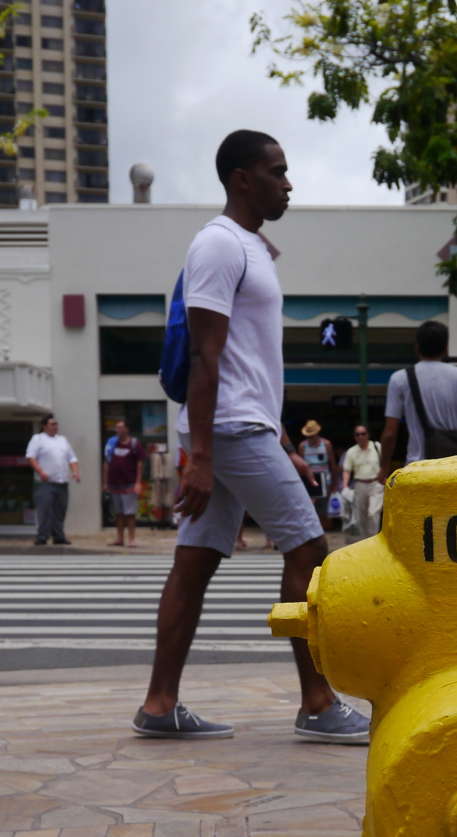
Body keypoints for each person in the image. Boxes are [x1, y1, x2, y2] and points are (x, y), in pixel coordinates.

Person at [132, 129, 369, 742]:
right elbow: (207, 359)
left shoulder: (251, 247)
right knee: (310, 549)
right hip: (229, 431)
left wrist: (284, 437)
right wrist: (201, 458)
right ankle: (317, 703)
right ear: (243, 178)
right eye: (278, 172)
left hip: (245, 425)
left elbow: (249, 361)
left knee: (194, 563)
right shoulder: (217, 245)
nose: (289, 183)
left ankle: (160, 704)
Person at [379, 320, 457, 477]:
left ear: (417, 348)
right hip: (453, 470)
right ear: (445, 349)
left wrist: (384, 467)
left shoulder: (400, 379)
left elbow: (390, 433)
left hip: (416, 470)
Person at [26, 414, 80, 545]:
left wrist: (75, 472)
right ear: (44, 426)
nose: (55, 426)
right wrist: (40, 472)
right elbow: (30, 457)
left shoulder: (62, 440)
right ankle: (42, 536)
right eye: (52, 424)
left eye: (56, 424)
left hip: (61, 482)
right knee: (44, 510)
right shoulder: (38, 439)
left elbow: (72, 458)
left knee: (60, 511)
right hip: (45, 483)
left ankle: (58, 536)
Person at [103, 419, 144, 547]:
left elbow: (140, 463)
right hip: (115, 483)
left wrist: (138, 482)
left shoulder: (134, 444)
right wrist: (105, 482)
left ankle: (132, 539)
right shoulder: (111, 444)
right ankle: (119, 538)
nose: (117, 430)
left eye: (120, 427)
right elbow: (106, 463)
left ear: (127, 429)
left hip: (129, 483)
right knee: (118, 513)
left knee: (130, 513)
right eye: (116, 428)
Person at [342, 423, 383, 538]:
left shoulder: (377, 446)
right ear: (355, 437)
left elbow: (385, 463)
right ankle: (366, 541)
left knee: (373, 513)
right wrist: (345, 487)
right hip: (360, 484)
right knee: (362, 516)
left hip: (376, 484)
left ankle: (374, 539)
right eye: (357, 434)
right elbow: (347, 470)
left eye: (363, 434)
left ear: (368, 435)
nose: (360, 436)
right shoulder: (351, 452)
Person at [298, 420, 339, 517]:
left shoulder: (326, 444)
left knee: (324, 509)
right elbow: (300, 468)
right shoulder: (302, 446)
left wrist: (335, 483)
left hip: (326, 481)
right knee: (310, 510)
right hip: (310, 482)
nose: (310, 437)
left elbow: (333, 465)